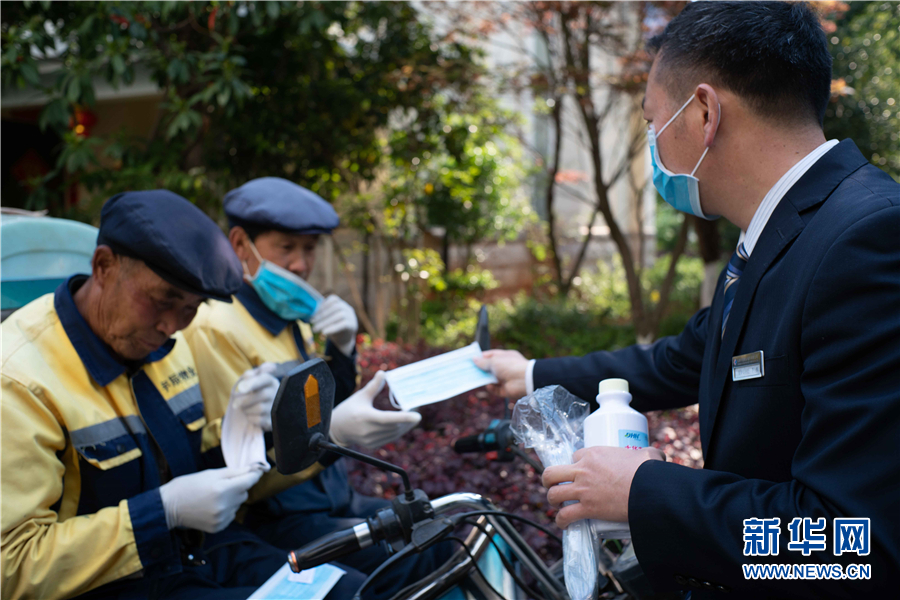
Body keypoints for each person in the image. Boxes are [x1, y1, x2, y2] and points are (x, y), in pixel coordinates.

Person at [476, 2, 899, 597]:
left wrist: (644, 491)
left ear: (703, 111)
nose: (652, 141)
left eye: (652, 121)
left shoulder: (867, 241)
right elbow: (686, 358)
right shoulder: (780, 230)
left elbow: (856, 551)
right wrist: (530, 374)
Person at [1, 190, 364, 600]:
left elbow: (191, 467)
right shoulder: (19, 379)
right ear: (104, 266)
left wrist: (245, 431)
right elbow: (11, 564)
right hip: (107, 585)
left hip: (193, 554)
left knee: (346, 590)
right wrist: (159, 514)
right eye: (162, 300)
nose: (173, 325)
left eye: (191, 308)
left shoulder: (166, 344)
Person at [183, 177, 450, 599]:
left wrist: (341, 349)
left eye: (308, 249)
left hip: (330, 496)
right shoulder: (217, 328)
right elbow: (237, 455)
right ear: (239, 244)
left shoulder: (285, 313)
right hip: (278, 511)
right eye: (285, 248)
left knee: (441, 531)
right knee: (400, 564)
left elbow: (327, 407)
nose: (301, 264)